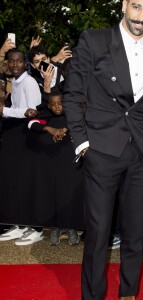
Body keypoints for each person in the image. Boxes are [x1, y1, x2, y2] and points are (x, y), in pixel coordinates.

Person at [62, 0, 143, 299]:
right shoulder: (95, 40)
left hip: (142, 152)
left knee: (135, 233)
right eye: (136, 7)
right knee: (98, 234)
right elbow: (72, 95)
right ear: (124, 5)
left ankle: (128, 294)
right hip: (102, 151)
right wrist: (83, 144)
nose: (141, 17)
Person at [27, 90, 83, 246]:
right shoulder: (46, 116)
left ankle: (71, 227)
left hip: (70, 160)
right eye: (53, 104)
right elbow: (32, 124)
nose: (57, 107)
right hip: (52, 161)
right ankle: (55, 227)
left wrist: (65, 129)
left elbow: (79, 122)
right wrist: (50, 129)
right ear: (48, 105)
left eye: (60, 103)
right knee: (53, 193)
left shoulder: (73, 113)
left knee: (68, 193)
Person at [0, 48, 43, 245]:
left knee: (28, 182)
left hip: (29, 135)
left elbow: (32, 111)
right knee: (17, 181)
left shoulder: (29, 82)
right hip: (17, 134)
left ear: (25, 63)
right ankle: (21, 224)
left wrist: (4, 109)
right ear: (7, 63)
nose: (15, 65)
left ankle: (36, 228)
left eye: (18, 61)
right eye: (11, 61)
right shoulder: (15, 83)